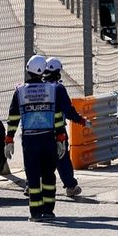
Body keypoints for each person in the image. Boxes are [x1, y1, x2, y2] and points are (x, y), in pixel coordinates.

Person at [5, 54, 72, 221]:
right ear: (43, 71)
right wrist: (61, 138)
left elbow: (13, 117)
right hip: (48, 138)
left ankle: (35, 213)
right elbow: (57, 116)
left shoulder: (20, 91)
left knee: (33, 177)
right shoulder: (52, 90)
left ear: (28, 69)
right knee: (49, 175)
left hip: (29, 140)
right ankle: (49, 211)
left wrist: (9, 138)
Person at [42, 57, 92, 197]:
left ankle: (31, 185)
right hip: (57, 132)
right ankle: (70, 186)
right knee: (62, 158)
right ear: (57, 72)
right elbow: (68, 110)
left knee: (37, 158)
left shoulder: (36, 88)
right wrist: (82, 121)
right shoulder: (58, 88)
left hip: (37, 131)